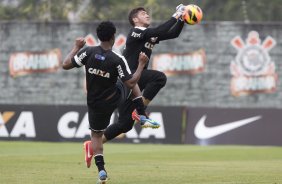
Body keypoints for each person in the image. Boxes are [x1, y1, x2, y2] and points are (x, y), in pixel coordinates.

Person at [84, 4, 186, 169]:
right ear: (135, 19)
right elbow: (159, 31)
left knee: (125, 125)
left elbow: (172, 33)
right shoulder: (135, 31)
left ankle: (92, 145)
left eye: (147, 13)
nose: (147, 15)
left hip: (135, 82)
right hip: (129, 79)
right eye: (143, 13)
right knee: (159, 78)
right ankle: (140, 112)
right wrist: (176, 14)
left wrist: (182, 19)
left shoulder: (148, 35)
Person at [62, 21, 154, 184]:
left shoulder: (87, 52)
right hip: (113, 98)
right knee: (132, 80)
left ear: (99, 36)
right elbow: (131, 83)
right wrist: (141, 65)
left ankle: (102, 171)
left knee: (96, 136)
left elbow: (66, 64)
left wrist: (76, 47)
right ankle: (141, 114)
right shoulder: (116, 59)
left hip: (94, 103)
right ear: (113, 37)